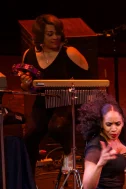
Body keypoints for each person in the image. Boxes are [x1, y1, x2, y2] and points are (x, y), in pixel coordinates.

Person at [18, 14, 90, 177]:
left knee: (57, 126)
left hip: (67, 101)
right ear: (40, 36)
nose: (56, 37)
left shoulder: (70, 53)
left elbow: (90, 82)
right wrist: (26, 84)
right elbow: (27, 89)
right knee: (30, 135)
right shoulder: (28, 55)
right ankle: (29, 182)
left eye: (57, 33)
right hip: (43, 102)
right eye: (50, 34)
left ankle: (68, 152)